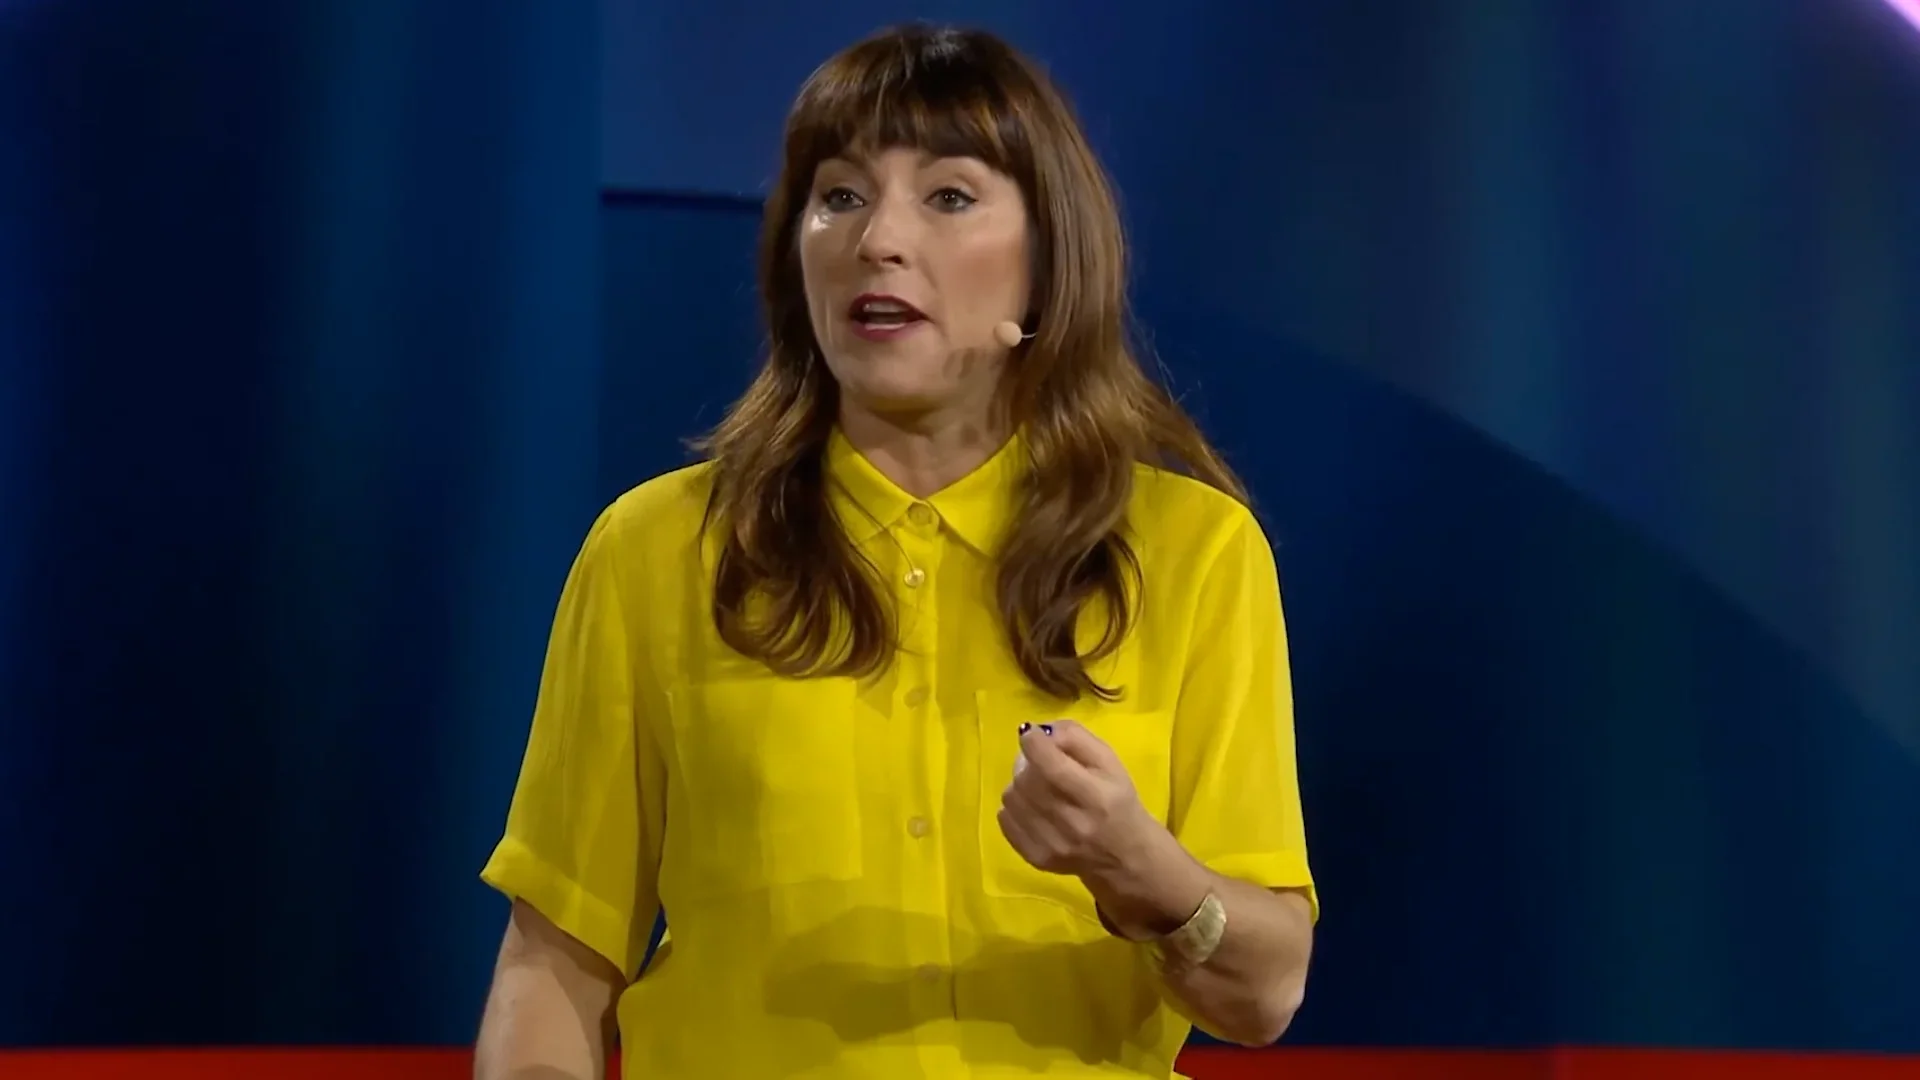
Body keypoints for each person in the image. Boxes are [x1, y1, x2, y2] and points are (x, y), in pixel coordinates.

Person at [473, 22, 1316, 1080]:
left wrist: (1136, 866)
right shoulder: (657, 553)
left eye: (950, 197)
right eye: (840, 196)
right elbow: (554, 965)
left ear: (1047, 268)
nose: (879, 239)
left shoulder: (1190, 551)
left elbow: (1265, 993)